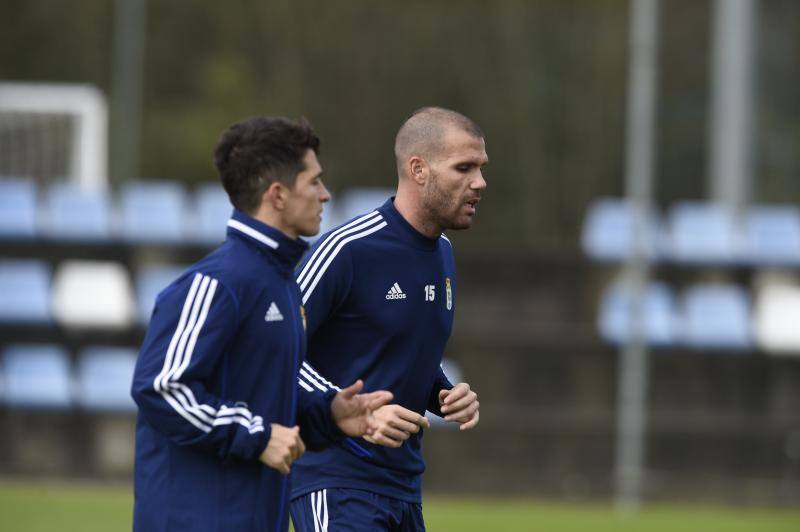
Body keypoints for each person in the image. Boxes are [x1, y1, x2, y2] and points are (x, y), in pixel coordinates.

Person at [131, 116, 400, 532]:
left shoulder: (282, 282)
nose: (325, 195)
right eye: (314, 182)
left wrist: (328, 416)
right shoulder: (216, 283)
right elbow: (162, 389)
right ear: (277, 194)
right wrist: (255, 436)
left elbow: (263, 396)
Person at [290, 107, 486, 531]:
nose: (479, 183)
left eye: (481, 168)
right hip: (335, 480)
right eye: (464, 168)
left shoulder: (444, 254)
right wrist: (353, 409)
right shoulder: (347, 249)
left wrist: (443, 394)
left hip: (403, 488)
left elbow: (391, 349)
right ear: (418, 169)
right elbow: (272, 350)